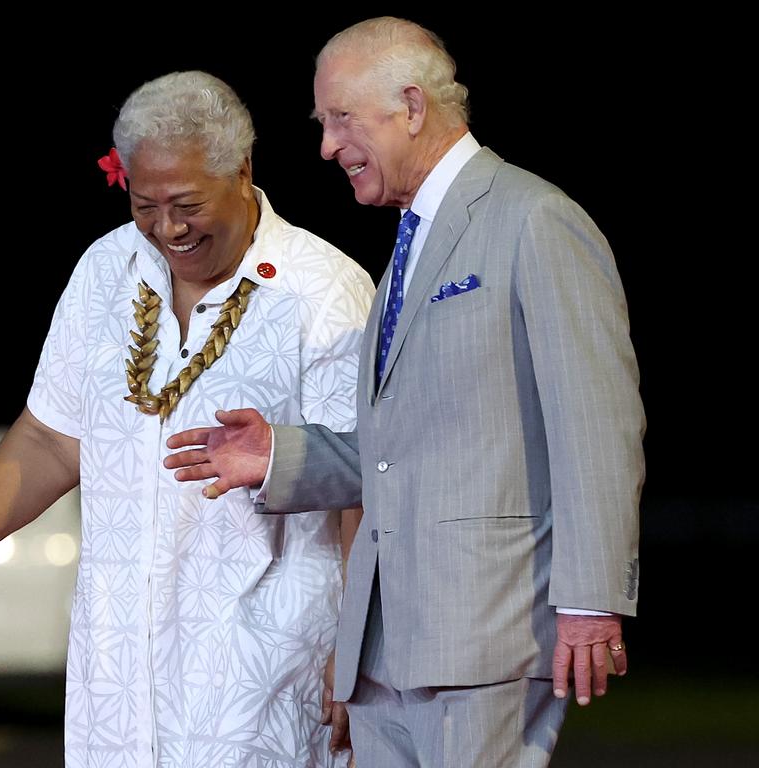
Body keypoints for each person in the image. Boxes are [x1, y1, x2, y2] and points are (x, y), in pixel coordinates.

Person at [164, 18, 646, 767]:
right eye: (322, 123)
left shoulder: (534, 220)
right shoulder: (408, 249)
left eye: (340, 118)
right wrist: (281, 457)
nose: (326, 146)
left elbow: (598, 426)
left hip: (485, 632)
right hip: (387, 644)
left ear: (413, 107)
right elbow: (401, 453)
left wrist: (589, 602)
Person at [0, 70, 374, 768]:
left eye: (187, 203)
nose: (167, 228)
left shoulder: (322, 290)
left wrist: (358, 640)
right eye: (144, 203)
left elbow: (362, 475)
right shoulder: (105, 269)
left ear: (243, 171)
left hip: (265, 673)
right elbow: (50, 434)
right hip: (119, 676)